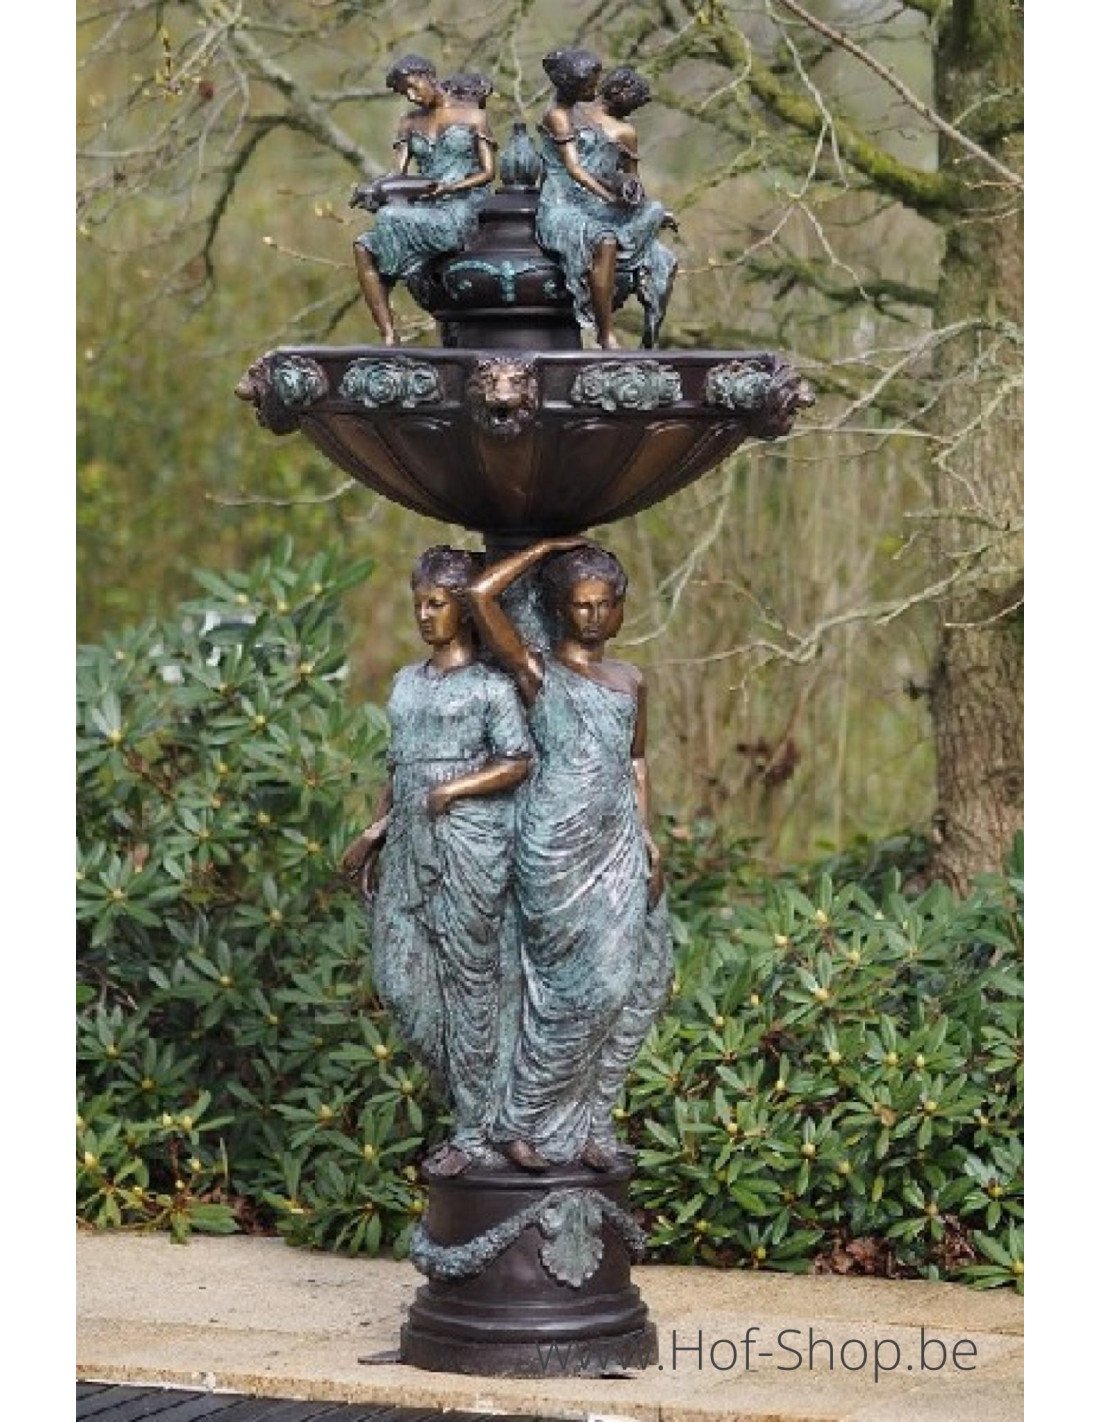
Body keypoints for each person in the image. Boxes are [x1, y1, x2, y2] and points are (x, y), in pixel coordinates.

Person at [467, 539, 674, 1171]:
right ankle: (520, 1120)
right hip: (555, 842)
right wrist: (546, 547)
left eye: (604, 604)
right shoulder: (538, 673)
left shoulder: (630, 681)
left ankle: (591, 1123)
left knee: (637, 984)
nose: (592, 616)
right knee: (576, 989)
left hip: (618, 840)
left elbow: (636, 761)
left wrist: (646, 835)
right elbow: (480, 596)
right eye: (580, 604)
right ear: (560, 609)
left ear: (620, 609)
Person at [342, 547, 531, 1177]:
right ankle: (483, 1111)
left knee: (472, 988)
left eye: (437, 604)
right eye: (419, 604)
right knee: (400, 984)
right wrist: (375, 831)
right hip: (408, 842)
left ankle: (477, 1131)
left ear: (463, 610)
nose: (425, 615)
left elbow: (518, 760)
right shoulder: (405, 682)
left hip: (468, 846)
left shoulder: (491, 687)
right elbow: (395, 766)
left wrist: (455, 788)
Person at [535, 50, 677, 349]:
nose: (595, 88)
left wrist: (627, 194)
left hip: (594, 202)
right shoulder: (558, 115)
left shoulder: (590, 116)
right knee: (605, 240)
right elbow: (575, 169)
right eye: (589, 84)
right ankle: (605, 334)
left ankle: (649, 339)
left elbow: (624, 175)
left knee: (660, 238)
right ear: (572, 85)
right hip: (562, 202)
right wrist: (608, 197)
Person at [352, 55, 497, 344]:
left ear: (429, 76)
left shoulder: (473, 117)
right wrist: (373, 191)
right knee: (363, 246)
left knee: (390, 218)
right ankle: (389, 335)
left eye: (413, 87)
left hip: (463, 206)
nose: (411, 96)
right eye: (404, 92)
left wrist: (450, 187)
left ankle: (396, 266)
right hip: (426, 207)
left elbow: (489, 173)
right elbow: (398, 176)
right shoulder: (409, 123)